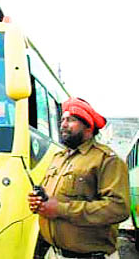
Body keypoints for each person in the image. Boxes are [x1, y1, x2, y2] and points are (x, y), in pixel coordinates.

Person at [28, 97, 130, 259]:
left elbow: (118, 208)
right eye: (62, 120)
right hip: (54, 254)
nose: (63, 125)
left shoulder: (106, 160)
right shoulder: (58, 158)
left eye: (71, 120)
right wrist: (39, 203)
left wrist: (60, 209)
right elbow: (51, 199)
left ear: (88, 127)